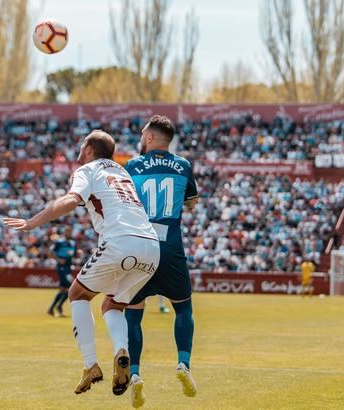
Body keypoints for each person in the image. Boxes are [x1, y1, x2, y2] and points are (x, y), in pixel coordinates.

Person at [4, 130, 160, 396]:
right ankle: (121, 351)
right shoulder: (123, 173)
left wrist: (32, 222)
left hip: (120, 241)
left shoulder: (88, 170)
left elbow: (70, 201)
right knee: (113, 303)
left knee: (77, 293)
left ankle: (90, 365)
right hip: (151, 246)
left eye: (81, 145)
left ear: (89, 149)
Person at [123, 115, 199, 408]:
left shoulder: (132, 165)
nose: (142, 139)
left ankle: (135, 373)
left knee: (133, 313)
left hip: (139, 244)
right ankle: (183, 364)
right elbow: (191, 201)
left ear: (151, 138)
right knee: (184, 308)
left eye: (144, 135)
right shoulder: (183, 165)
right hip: (170, 245)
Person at [47, 226, 76, 317]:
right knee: (71, 287)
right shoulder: (59, 242)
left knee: (63, 288)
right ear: (64, 233)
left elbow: (72, 254)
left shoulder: (72, 243)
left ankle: (52, 308)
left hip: (68, 267)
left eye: (69, 231)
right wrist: (58, 260)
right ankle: (58, 306)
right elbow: (50, 253)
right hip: (61, 267)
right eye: (67, 231)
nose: (68, 233)